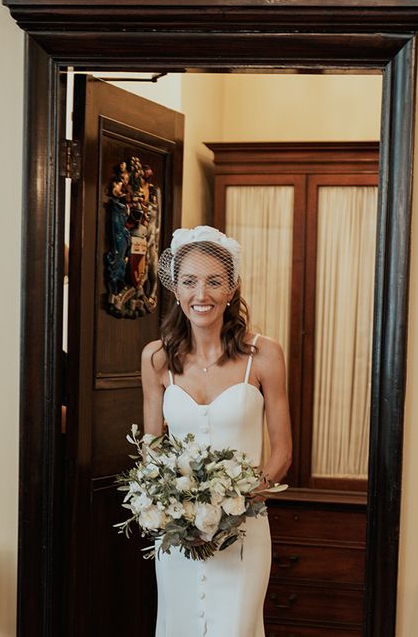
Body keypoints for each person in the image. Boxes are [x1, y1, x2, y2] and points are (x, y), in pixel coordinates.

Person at [141, 225, 292, 637]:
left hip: (243, 533)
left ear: (232, 287)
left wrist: (232, 508)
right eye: (189, 282)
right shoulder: (156, 359)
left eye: (213, 282)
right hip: (178, 539)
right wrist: (176, 512)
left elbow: (281, 453)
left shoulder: (264, 355)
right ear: (176, 289)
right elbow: (152, 453)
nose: (200, 294)